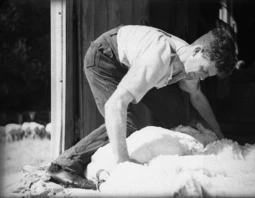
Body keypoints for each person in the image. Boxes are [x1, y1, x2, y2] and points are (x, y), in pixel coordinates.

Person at [47, 25, 237, 189]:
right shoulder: (158, 57)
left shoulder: (188, 63)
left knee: (176, 113)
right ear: (196, 51)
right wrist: (125, 167)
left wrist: (220, 135)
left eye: (207, 75)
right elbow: (115, 104)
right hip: (105, 58)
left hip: (130, 62)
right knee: (127, 124)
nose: (202, 77)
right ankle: (63, 166)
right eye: (203, 70)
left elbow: (197, 97)